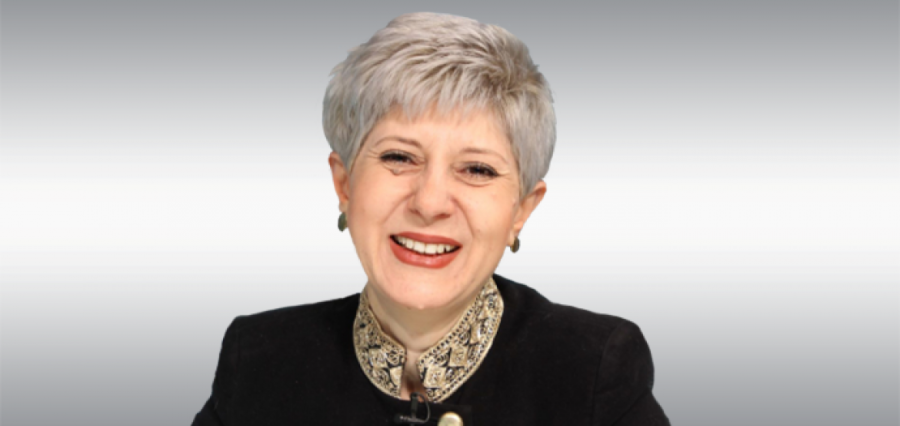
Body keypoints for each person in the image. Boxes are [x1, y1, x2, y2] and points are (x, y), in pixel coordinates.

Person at [192, 12, 669, 426]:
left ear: (521, 210)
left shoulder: (593, 370)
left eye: (477, 169)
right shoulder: (258, 359)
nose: (430, 201)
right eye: (399, 157)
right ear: (345, 185)